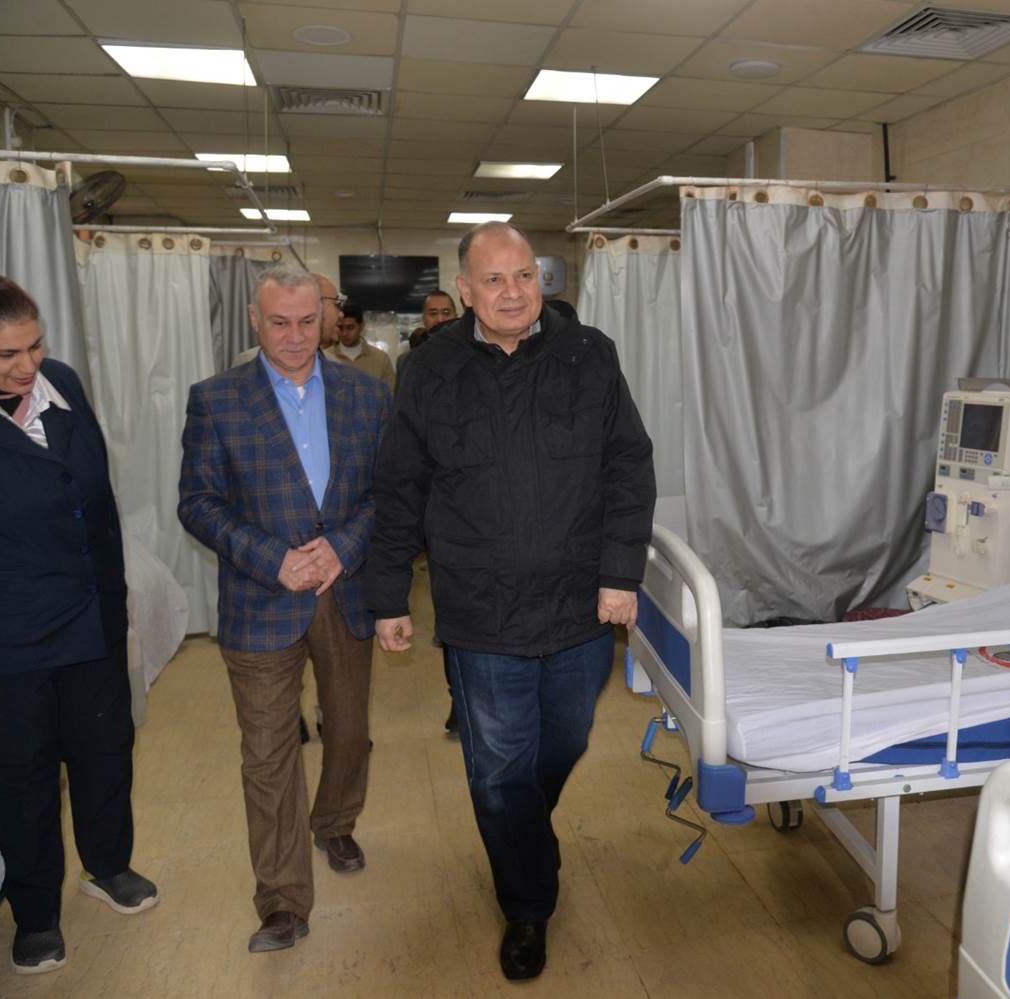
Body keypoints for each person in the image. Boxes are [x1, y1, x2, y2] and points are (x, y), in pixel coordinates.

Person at [369, 223, 655, 981]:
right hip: (481, 610)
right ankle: (528, 904)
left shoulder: (588, 354)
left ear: (542, 279)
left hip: (579, 605)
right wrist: (389, 594)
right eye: (493, 280)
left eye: (523, 275)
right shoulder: (430, 369)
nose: (511, 292)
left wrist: (621, 573)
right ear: (465, 291)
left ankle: (523, 835)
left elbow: (629, 465)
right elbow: (401, 487)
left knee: (563, 742)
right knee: (499, 771)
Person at [0, 267, 157, 976]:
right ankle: (36, 914)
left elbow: (100, 509)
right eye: (5, 354)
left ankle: (109, 865)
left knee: (105, 753)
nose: (26, 366)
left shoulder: (63, 385)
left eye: (34, 346)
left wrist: (115, 608)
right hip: (4, 641)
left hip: (89, 622)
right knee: (21, 780)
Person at [177, 266, 389, 954]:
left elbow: (389, 492)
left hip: (344, 589)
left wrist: (343, 548)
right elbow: (198, 503)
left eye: (306, 321)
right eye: (279, 323)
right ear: (254, 319)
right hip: (260, 596)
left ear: (324, 318)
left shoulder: (366, 394)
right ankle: (281, 901)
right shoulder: (216, 399)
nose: (295, 337)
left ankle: (335, 821)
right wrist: (274, 558)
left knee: (349, 729)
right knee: (268, 754)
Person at [329, 301, 395, 391]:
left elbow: (390, 395)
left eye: (350, 328)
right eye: (340, 328)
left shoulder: (381, 360)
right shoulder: (325, 357)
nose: (344, 333)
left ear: (361, 326)